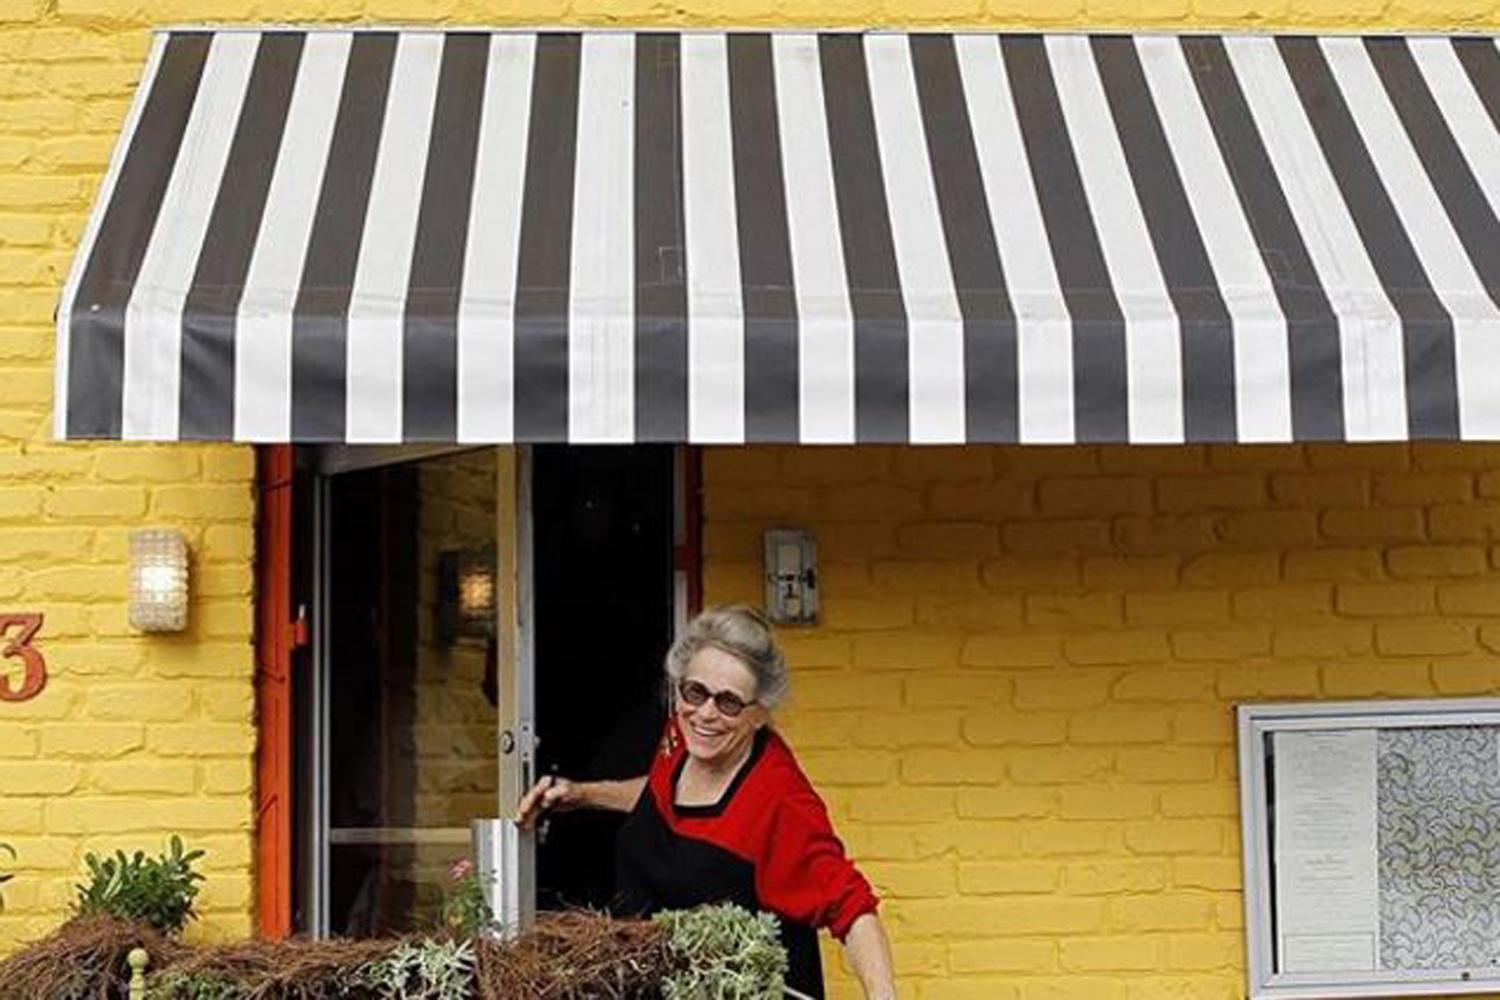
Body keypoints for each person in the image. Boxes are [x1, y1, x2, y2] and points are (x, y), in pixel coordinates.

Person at [515, 604, 898, 999]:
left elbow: (852, 909)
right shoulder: (681, 738)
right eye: (695, 691)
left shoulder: (780, 802)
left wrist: (883, 995)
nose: (706, 714)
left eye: (729, 701)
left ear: (760, 714)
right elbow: (661, 793)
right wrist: (582, 795)